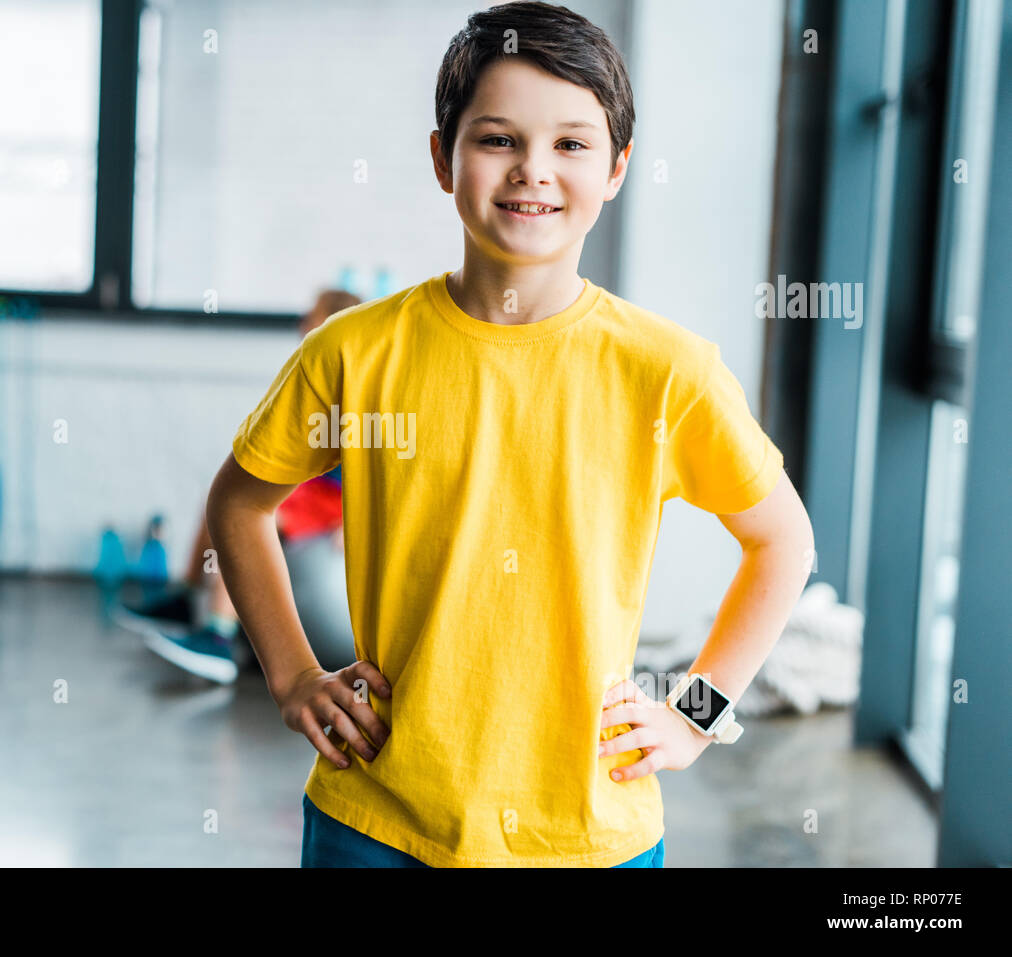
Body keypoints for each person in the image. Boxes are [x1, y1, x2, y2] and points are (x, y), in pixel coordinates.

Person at [206, 1, 816, 868]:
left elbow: (783, 542)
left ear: (617, 169)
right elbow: (239, 501)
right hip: (375, 818)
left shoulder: (668, 370)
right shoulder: (352, 352)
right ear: (441, 158)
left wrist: (694, 716)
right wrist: (293, 674)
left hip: (591, 833)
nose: (533, 170)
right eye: (498, 139)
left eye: (571, 144)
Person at [118, 289, 361, 684]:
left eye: (310, 315)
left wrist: (353, 521)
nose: (301, 322)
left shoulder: (354, 380)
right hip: (312, 492)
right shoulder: (312, 374)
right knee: (225, 496)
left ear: (332, 325)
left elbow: (376, 464)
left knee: (248, 517)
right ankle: (185, 595)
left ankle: (218, 637)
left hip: (333, 502)